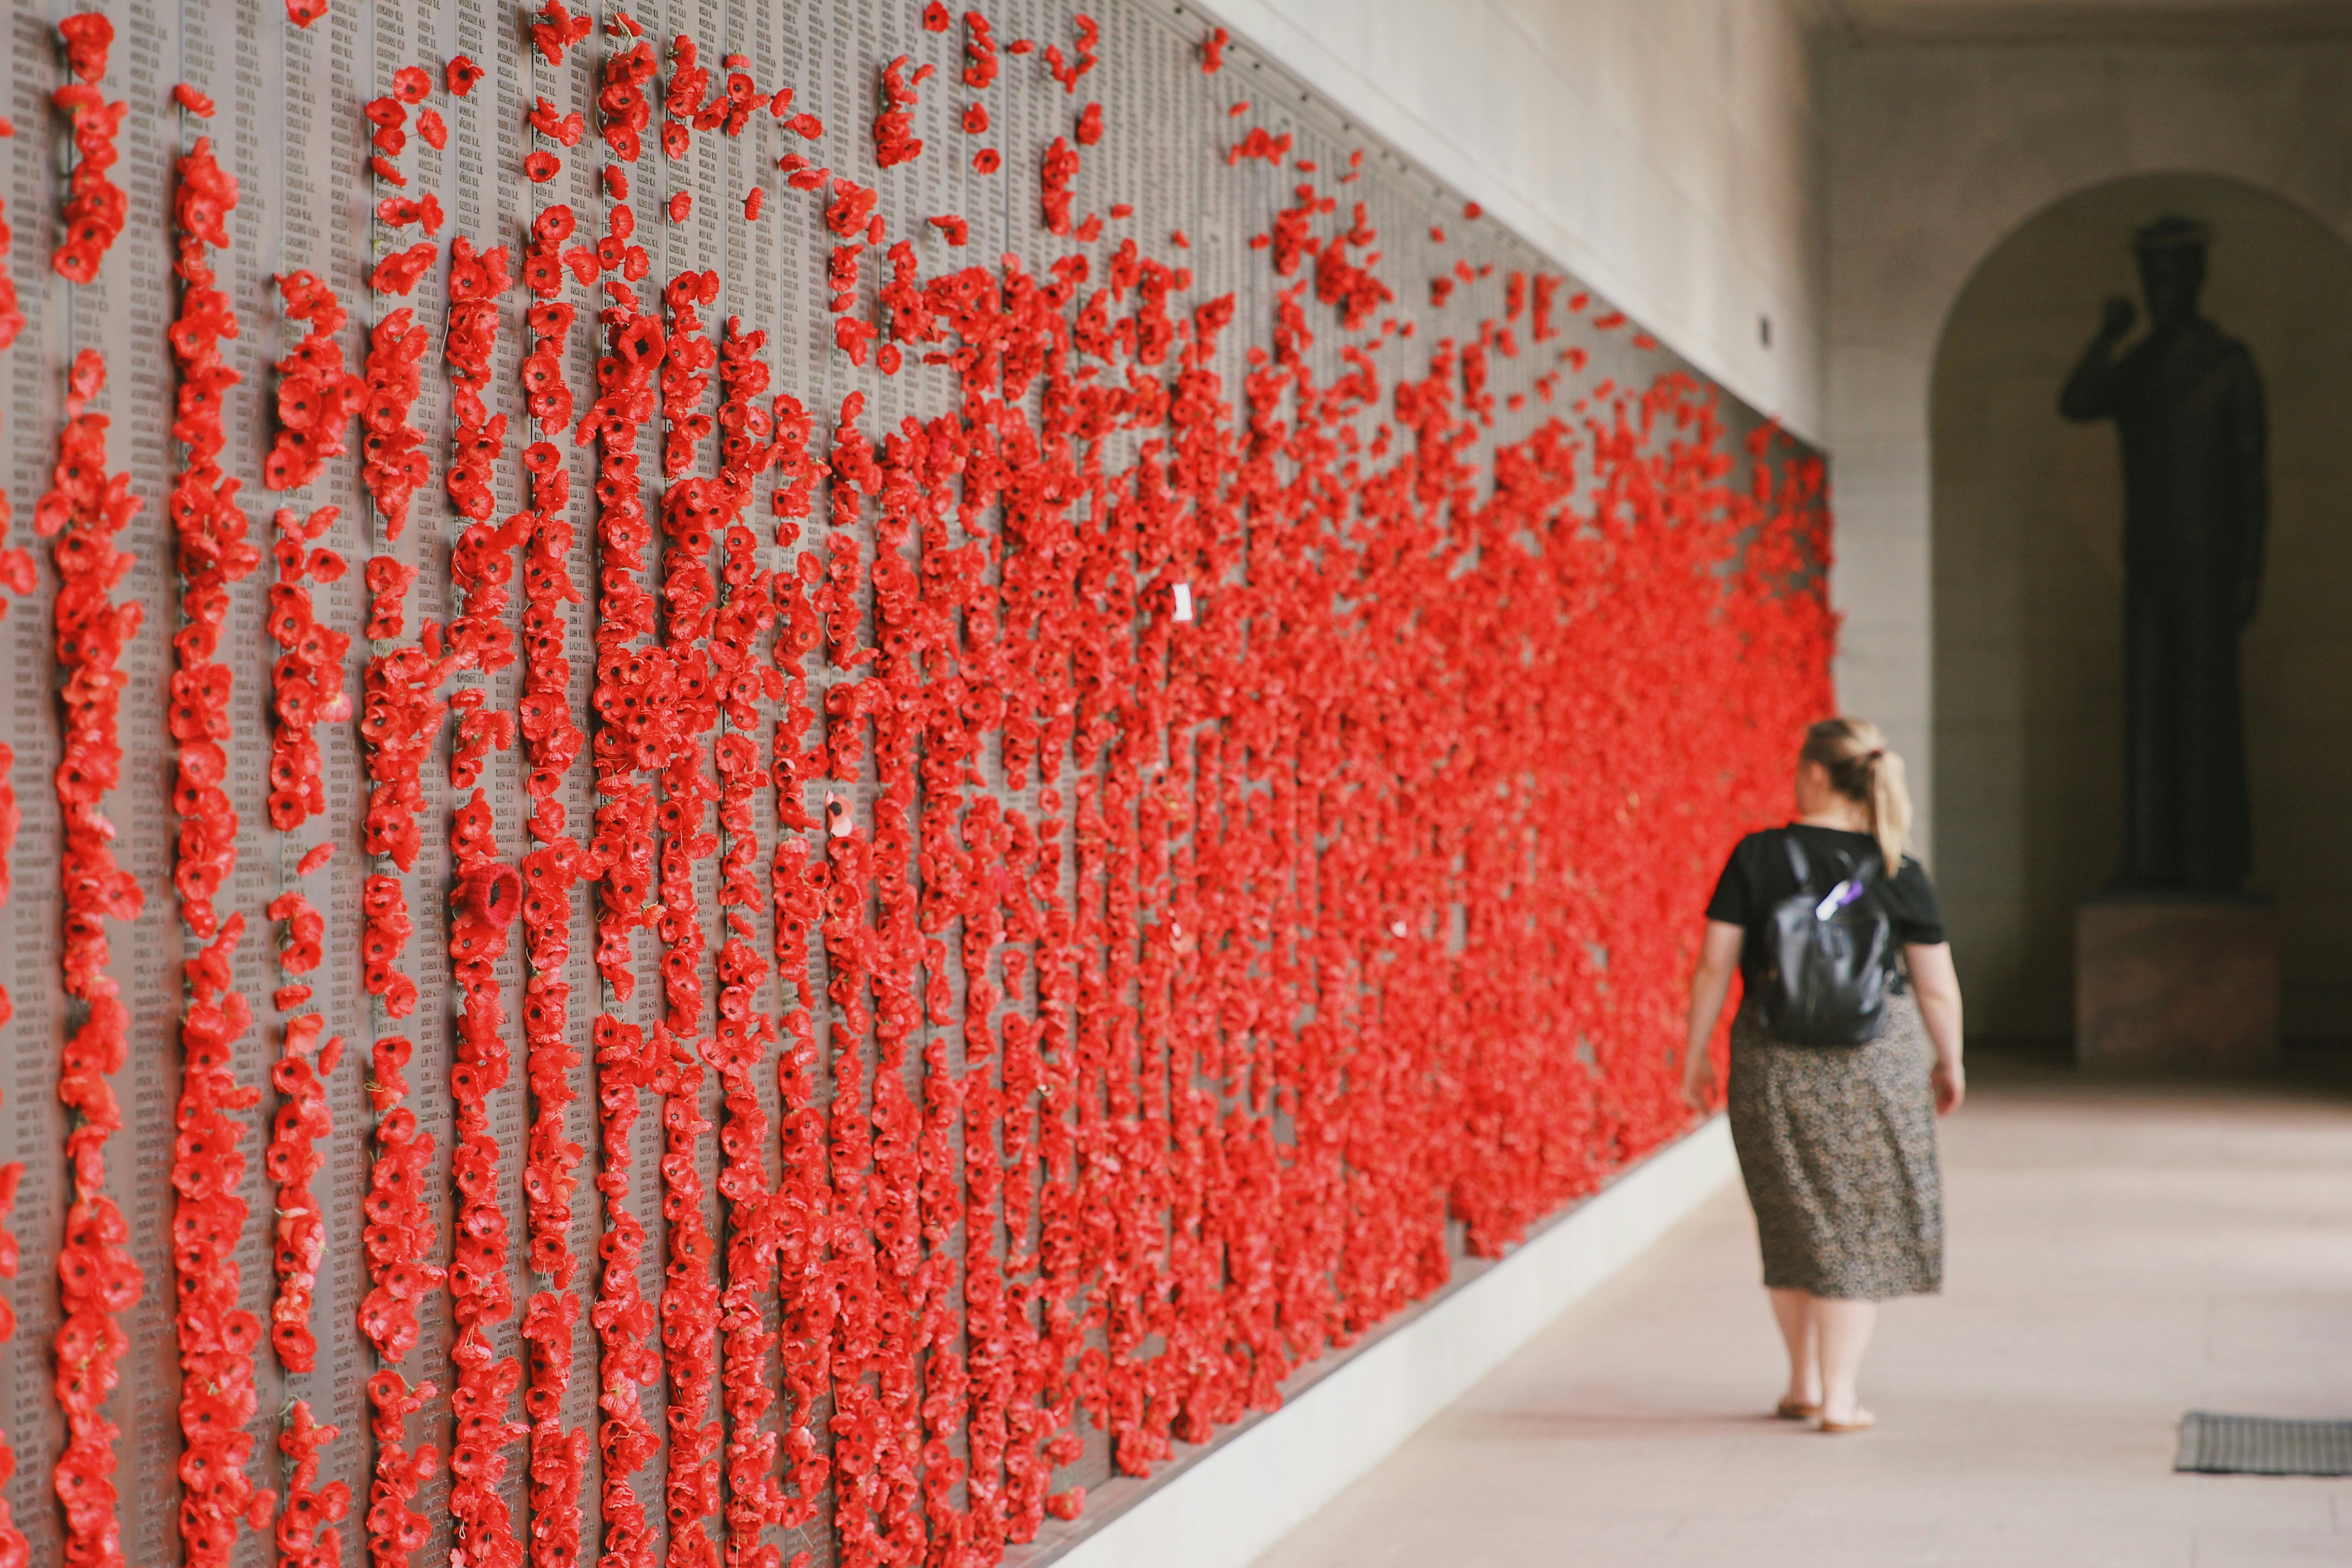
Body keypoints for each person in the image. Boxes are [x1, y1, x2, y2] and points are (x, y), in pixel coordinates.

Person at [1678, 718, 1965, 1434]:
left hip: (1772, 1060)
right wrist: (1950, 1059)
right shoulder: (1897, 866)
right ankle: (1839, 1396)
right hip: (1875, 1062)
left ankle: (1803, 1382)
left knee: (1790, 1215)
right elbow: (1935, 987)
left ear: (1811, 773)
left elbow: (1716, 963)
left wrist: (1691, 1054)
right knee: (1858, 1228)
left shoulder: (1758, 856)